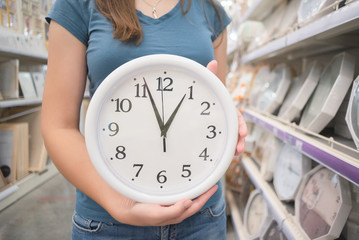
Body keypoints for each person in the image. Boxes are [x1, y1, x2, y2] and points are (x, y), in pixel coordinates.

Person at [41, 0, 247, 239]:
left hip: (200, 216)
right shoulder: (77, 5)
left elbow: (213, 101)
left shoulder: (210, 10)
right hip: (109, 221)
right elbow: (58, 126)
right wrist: (119, 204)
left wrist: (229, 119)